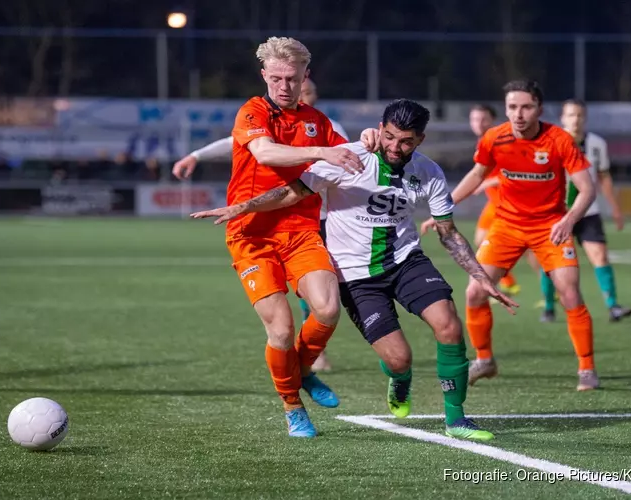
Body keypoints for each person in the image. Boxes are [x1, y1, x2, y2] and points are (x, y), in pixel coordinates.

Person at [192, 99, 519, 441]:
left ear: (419, 139)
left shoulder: (429, 172)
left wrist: (482, 278)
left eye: (406, 141)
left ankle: (456, 420)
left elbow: (448, 233)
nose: (395, 146)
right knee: (399, 359)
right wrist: (242, 207)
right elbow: (292, 193)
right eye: (390, 137)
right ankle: (399, 378)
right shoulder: (349, 157)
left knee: (449, 326)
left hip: (406, 261)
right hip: (355, 276)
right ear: (380, 129)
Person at [184, 36, 364, 438]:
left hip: (300, 231)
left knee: (328, 309)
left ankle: (300, 370)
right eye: (277, 78)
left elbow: (351, 157)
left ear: (305, 77)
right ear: (264, 75)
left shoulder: (318, 121)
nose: (284, 86)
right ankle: (292, 405)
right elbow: (266, 153)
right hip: (251, 234)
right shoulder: (252, 112)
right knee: (281, 329)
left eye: (292, 78)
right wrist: (321, 153)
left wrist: (370, 142)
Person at [173, 77, 348, 372]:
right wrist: (197, 155)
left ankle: (315, 353)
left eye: (306, 90)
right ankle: (307, 362)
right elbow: (242, 144)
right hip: (270, 220)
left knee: (321, 296)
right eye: (293, 86)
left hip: (319, 218)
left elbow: (351, 161)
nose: (298, 92)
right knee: (294, 311)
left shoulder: (327, 127)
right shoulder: (266, 118)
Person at [451, 80, 600, 392]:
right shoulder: (495, 137)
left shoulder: (559, 140)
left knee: (570, 293)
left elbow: (588, 188)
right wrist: (445, 205)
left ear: (539, 109)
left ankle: (586, 367)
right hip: (507, 226)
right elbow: (477, 174)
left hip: (550, 227)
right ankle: (484, 360)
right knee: (474, 293)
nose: (518, 114)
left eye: (526, 107)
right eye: (512, 107)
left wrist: (569, 220)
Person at [539, 99, 631, 323]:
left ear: (586, 117)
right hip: (557, 213)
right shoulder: (550, 142)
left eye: (580, 115)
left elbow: (604, 177)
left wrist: (615, 208)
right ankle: (549, 307)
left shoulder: (596, 144)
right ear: (562, 118)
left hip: (588, 211)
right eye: (571, 115)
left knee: (599, 255)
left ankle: (613, 306)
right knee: (551, 262)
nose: (576, 119)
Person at [420, 104, 523, 295]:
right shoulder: (484, 142)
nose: (479, 123)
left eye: (483, 119)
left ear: (492, 120)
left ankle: (546, 292)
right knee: (480, 240)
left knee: (529, 253)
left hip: (511, 205)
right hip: (495, 203)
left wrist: (486, 182)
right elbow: (477, 174)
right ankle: (508, 283)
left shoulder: (502, 141)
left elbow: (515, 172)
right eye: (475, 119)